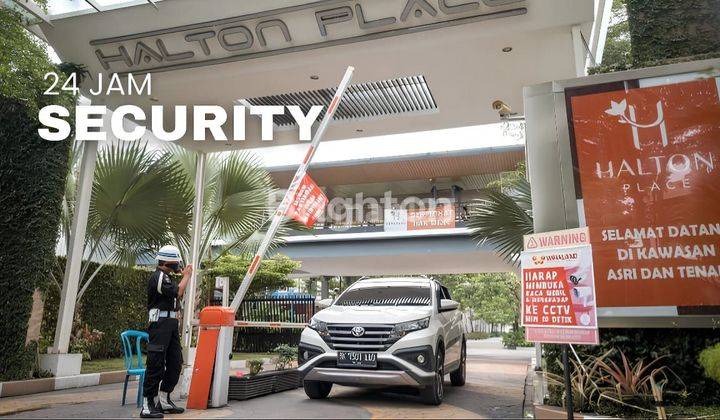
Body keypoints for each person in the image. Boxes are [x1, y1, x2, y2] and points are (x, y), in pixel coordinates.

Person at [140, 245, 192, 418]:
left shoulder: (166, 277)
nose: (179, 265)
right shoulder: (159, 276)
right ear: (168, 262)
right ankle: (147, 404)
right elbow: (177, 292)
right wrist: (186, 276)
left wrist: (182, 276)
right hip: (159, 324)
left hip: (170, 323)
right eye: (176, 262)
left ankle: (163, 399)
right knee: (155, 363)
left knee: (175, 362)